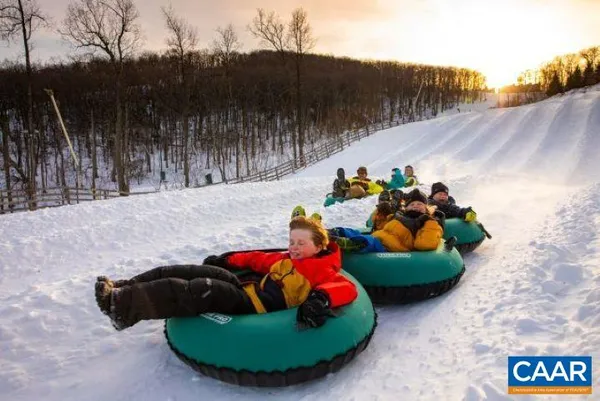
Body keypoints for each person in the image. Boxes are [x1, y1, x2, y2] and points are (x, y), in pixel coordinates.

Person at [94, 214, 357, 331]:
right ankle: (123, 286)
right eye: (291, 242)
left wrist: (319, 299)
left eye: (302, 243)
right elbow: (257, 259)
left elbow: (346, 288)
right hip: (249, 289)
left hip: (256, 307)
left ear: (320, 245)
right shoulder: (287, 258)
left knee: (199, 288)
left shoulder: (324, 268)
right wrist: (227, 259)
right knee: (189, 271)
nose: (294, 248)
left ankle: (120, 308)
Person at [330, 189, 444, 253]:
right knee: (354, 232)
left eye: (420, 204)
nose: (415, 206)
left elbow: (423, 244)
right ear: (406, 207)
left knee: (369, 242)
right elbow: (379, 227)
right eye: (412, 204)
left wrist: (431, 222)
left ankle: (347, 244)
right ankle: (333, 233)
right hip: (379, 237)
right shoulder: (399, 216)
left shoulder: (426, 222)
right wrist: (382, 213)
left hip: (390, 248)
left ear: (426, 208)